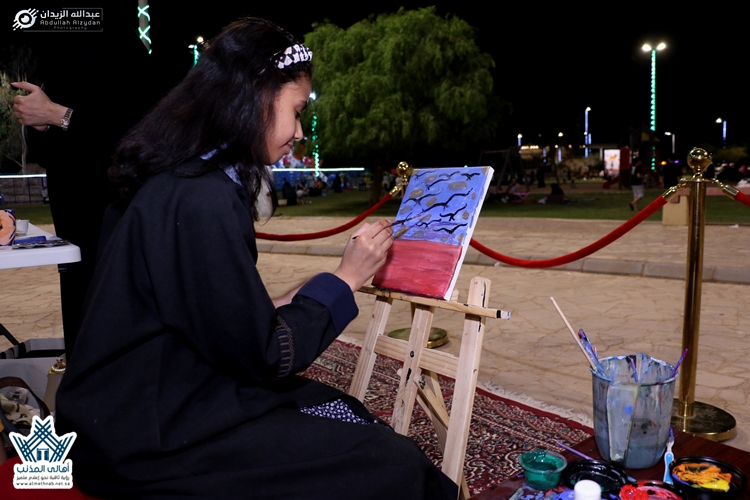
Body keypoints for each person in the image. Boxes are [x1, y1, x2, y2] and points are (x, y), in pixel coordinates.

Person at [55, 18, 457, 500]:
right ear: (255, 97)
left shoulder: (179, 177)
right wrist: (346, 279)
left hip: (131, 409)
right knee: (393, 462)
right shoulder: (201, 197)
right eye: (297, 110)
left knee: (342, 410)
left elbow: (204, 311)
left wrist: (301, 294)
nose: (300, 131)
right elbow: (269, 356)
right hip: (149, 438)